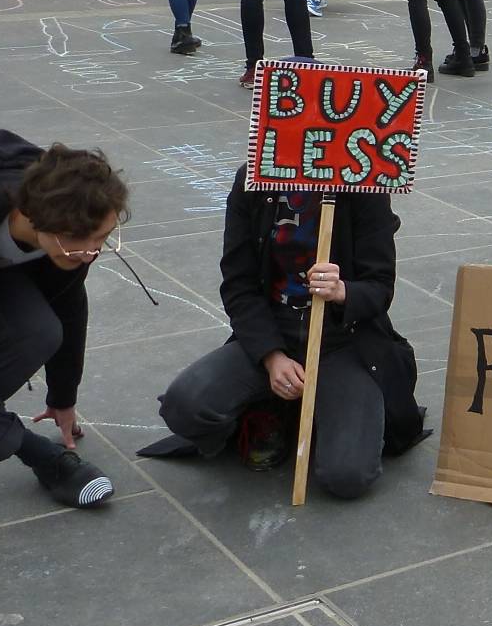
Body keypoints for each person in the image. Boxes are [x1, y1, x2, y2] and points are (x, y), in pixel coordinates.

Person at [154, 171, 421, 499]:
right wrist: (271, 356)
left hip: (342, 343)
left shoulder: (361, 183)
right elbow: (238, 284)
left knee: (347, 475)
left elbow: (380, 286)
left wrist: (342, 291)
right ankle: (272, 406)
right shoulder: (253, 180)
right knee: (185, 406)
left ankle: (314, 413)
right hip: (273, 335)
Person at [0, 131, 127, 507]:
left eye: (103, 238)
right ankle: (42, 457)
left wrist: (63, 396)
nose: (92, 254)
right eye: (84, 242)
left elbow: (68, 304)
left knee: (38, 332)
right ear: (34, 219)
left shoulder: (70, 219)